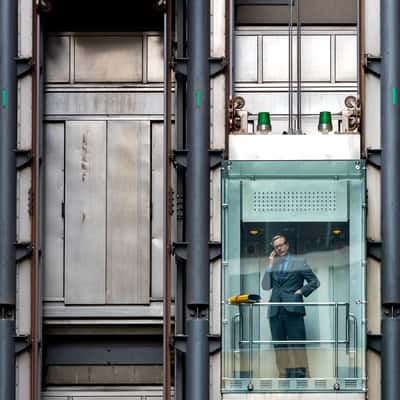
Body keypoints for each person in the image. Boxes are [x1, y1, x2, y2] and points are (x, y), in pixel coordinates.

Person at [261, 234, 320, 379]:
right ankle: (283, 376)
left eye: (282, 245)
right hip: (275, 311)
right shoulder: (273, 265)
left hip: (293, 309)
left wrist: (300, 291)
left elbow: (315, 282)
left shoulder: (298, 262)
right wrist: (269, 264)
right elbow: (265, 286)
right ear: (273, 250)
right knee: (279, 347)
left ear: (287, 245)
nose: (280, 248)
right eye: (276, 247)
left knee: (297, 346)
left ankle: (302, 378)